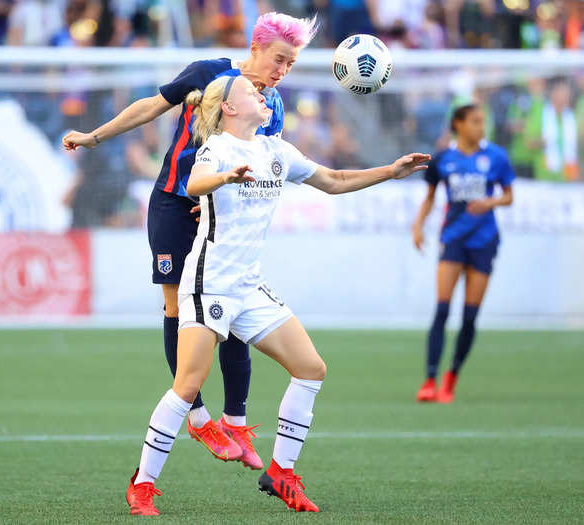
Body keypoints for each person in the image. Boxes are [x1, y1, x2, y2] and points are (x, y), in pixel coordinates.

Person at [125, 74, 430, 516]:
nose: (262, 93)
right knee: (188, 384)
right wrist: (224, 177)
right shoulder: (218, 147)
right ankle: (143, 485)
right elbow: (193, 183)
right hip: (209, 280)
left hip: (248, 286)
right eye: (251, 91)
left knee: (311, 368)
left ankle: (281, 473)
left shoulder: (277, 152)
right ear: (229, 108)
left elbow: (336, 179)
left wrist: (390, 171)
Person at [62, 12, 317, 470]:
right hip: (174, 203)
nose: (282, 71)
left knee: (234, 308)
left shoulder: (272, 106)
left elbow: (261, 159)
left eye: (291, 64)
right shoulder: (208, 73)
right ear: (255, 48)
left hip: (217, 210)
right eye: (279, 59)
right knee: (177, 307)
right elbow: (151, 106)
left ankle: (235, 420)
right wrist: (94, 137)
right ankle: (198, 418)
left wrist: (227, 197)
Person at [413, 104, 514, 404]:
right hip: (453, 240)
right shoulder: (444, 159)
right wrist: (419, 226)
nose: (480, 126)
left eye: (482, 121)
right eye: (474, 121)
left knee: (470, 316)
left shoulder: (495, 157)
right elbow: (430, 198)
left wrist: (490, 203)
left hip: (484, 241)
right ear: (458, 124)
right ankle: (430, 379)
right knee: (442, 309)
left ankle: (451, 378)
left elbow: (509, 196)